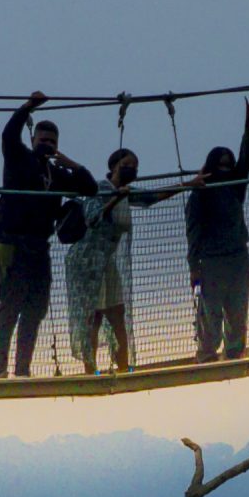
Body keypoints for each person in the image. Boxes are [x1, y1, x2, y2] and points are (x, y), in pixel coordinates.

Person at [0, 91, 96, 379]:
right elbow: (9, 135)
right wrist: (27, 107)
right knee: (10, 306)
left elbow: (90, 188)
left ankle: (22, 369)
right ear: (33, 139)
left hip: (39, 246)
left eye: (52, 142)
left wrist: (66, 161)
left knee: (36, 309)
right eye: (42, 140)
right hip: (10, 241)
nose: (46, 145)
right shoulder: (18, 158)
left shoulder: (57, 173)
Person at [64, 146, 180, 374]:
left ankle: (124, 364)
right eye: (126, 166)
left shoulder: (125, 191)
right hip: (87, 263)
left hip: (106, 262)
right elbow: (93, 218)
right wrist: (116, 200)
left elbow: (152, 197)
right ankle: (91, 369)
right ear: (114, 167)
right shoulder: (99, 189)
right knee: (93, 315)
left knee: (117, 313)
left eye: (135, 167)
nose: (131, 170)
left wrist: (187, 184)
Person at [183, 98, 249, 362]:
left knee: (238, 309)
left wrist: (248, 126)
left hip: (238, 257)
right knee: (210, 312)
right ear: (212, 166)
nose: (226, 168)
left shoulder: (237, 186)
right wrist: (194, 266)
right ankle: (206, 354)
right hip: (211, 261)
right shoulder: (200, 193)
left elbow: (246, 162)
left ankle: (235, 351)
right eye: (221, 164)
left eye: (229, 164)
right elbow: (193, 232)